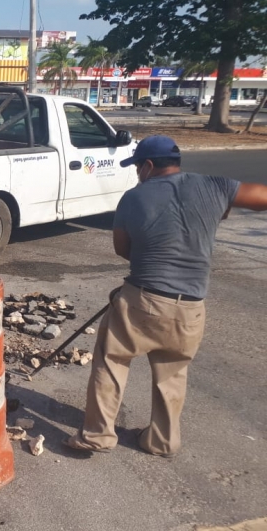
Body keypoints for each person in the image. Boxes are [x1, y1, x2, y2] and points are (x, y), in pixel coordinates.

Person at [65, 135, 267, 457]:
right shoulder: (215, 186)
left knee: (112, 359)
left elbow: (122, 249)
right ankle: (162, 441)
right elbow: (261, 196)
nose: (135, 174)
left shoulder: (133, 198)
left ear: (147, 166)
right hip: (190, 308)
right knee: (172, 372)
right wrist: (217, 209)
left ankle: (98, 436)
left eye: (136, 167)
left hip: (142, 300)